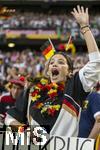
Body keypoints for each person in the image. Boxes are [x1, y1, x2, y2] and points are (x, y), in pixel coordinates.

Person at [5, 5, 100, 138]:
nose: (55, 64)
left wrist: (85, 27)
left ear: (69, 72)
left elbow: (96, 63)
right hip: (35, 147)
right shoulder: (32, 90)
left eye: (61, 62)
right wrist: (24, 131)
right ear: (48, 70)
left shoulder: (75, 86)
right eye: (52, 62)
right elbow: (9, 118)